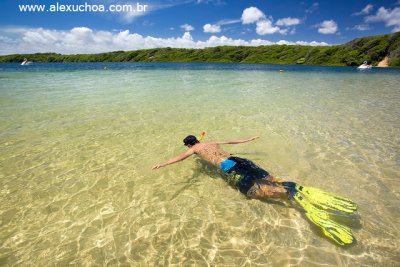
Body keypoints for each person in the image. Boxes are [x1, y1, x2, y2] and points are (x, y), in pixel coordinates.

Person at [152, 135, 288, 199]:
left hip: (228, 167)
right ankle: (283, 184)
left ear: (189, 145)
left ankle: (285, 193)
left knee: (252, 192)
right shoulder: (212, 142)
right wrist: (247, 139)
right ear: (198, 140)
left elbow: (179, 158)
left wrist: (162, 164)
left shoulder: (193, 150)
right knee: (267, 177)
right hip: (237, 159)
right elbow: (231, 140)